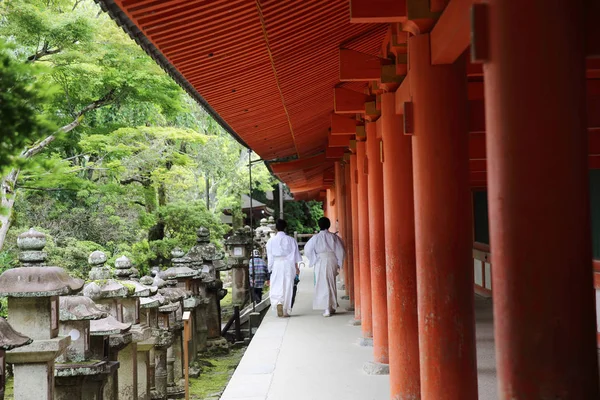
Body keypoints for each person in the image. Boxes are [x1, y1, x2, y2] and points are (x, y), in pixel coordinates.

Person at [304, 216, 345, 317]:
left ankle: (326, 308)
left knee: (322, 283)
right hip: (332, 260)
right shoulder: (334, 237)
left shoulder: (315, 238)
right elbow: (341, 251)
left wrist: (313, 259)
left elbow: (307, 250)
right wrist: (339, 263)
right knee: (331, 282)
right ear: (329, 225)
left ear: (319, 226)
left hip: (320, 261)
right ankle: (331, 306)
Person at [266, 219, 302, 317]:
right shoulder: (291, 240)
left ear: (276, 228)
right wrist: (297, 268)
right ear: (285, 227)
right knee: (287, 285)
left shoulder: (270, 241)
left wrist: (270, 269)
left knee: (276, 284)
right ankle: (285, 311)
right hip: (288, 264)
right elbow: (295, 255)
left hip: (277, 264)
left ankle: (278, 302)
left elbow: (270, 256)